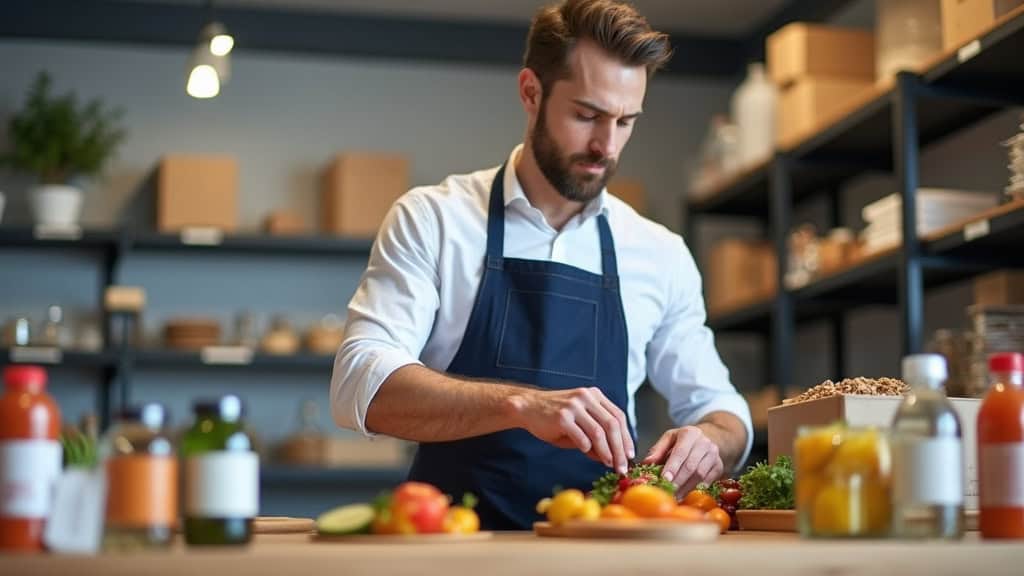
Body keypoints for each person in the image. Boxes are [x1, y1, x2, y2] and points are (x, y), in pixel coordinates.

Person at [331, 0, 752, 530]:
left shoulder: (658, 252)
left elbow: (724, 410)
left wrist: (711, 439)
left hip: (601, 555)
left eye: (626, 122)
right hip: (453, 551)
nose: (607, 145)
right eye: (587, 115)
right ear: (531, 92)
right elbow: (360, 386)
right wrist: (520, 404)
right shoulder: (434, 219)